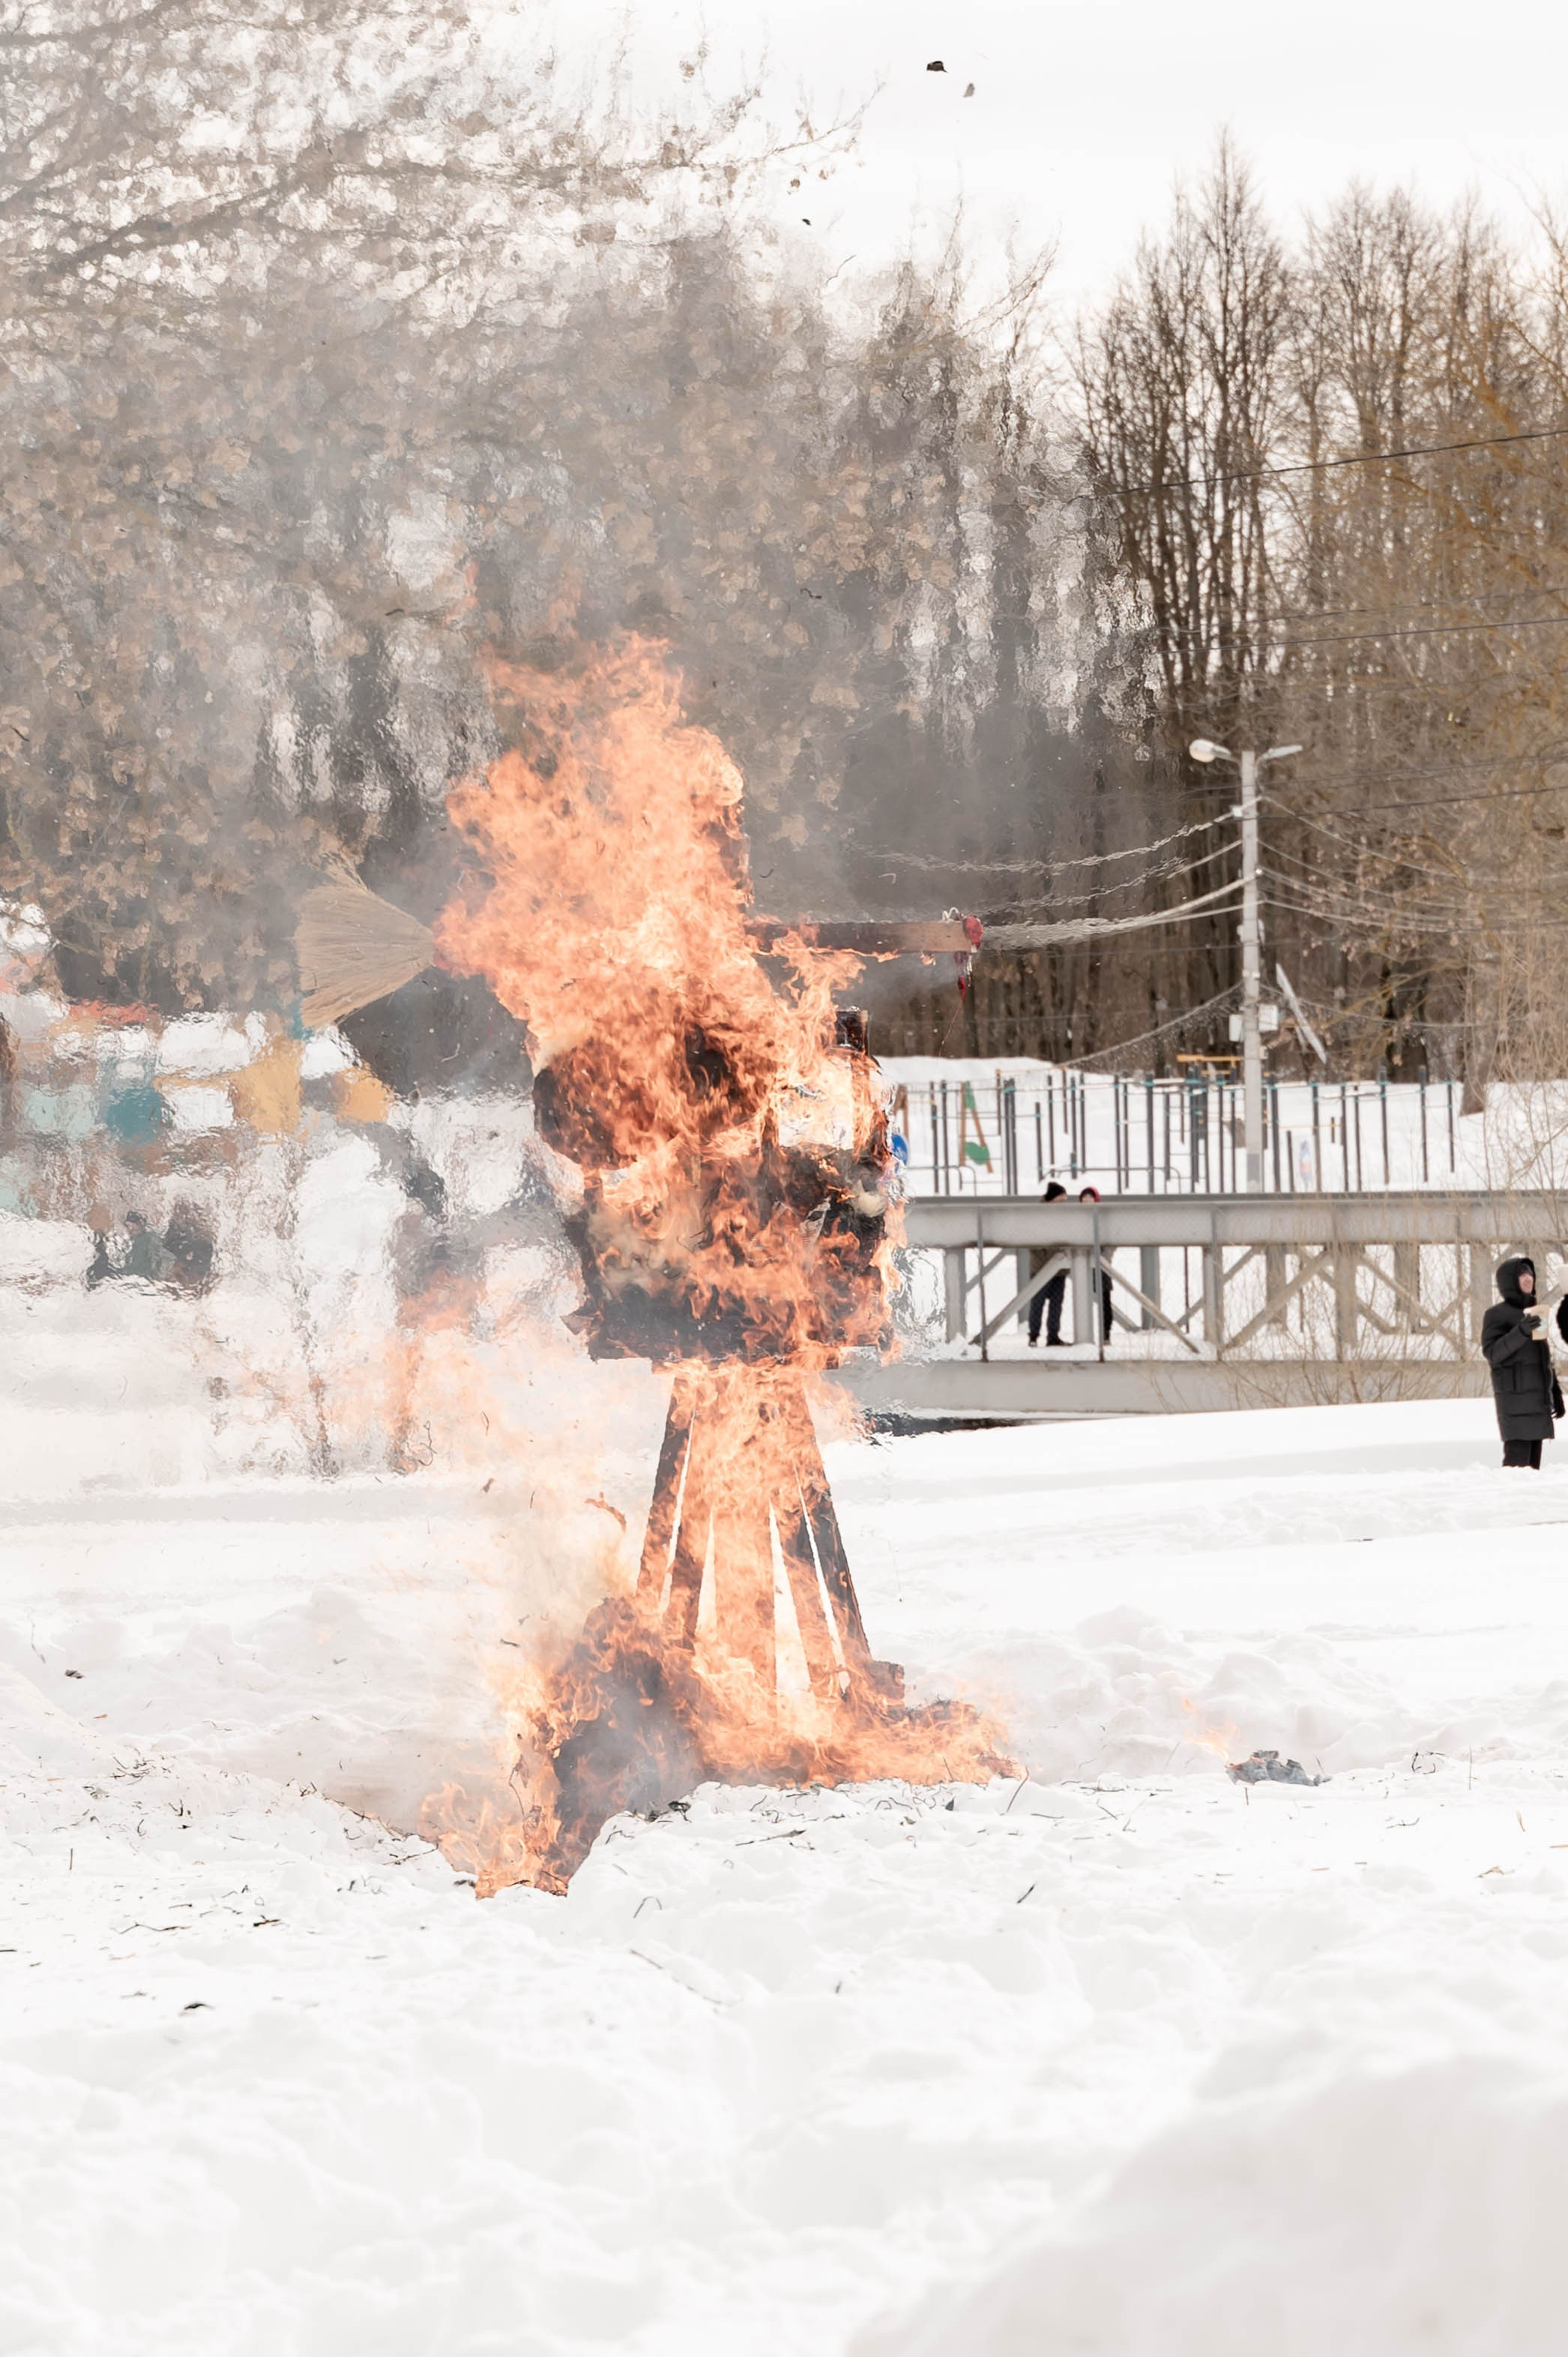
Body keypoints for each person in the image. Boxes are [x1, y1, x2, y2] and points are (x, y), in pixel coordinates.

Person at [1481, 1256, 1562, 1469]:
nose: (1528, 1279)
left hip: (1537, 1403)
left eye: (1530, 1274)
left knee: (1532, 1473)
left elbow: (1543, 1360)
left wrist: (1555, 1394)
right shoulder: (1495, 1315)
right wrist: (1521, 1331)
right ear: (1509, 1281)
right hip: (1515, 1403)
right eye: (1521, 1275)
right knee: (1515, 1471)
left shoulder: (1535, 1312)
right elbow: (1492, 1353)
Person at [1028, 1181, 1069, 1346]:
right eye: (1061, 1199)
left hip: (1059, 1268)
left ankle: (1053, 1336)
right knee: (1038, 1303)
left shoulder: (1065, 1215)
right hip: (1041, 1267)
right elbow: (1031, 1239)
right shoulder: (1037, 1215)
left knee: (1056, 1304)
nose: (1064, 1202)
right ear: (1052, 1198)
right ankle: (1033, 1336)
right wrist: (1046, 1250)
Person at [1078, 1184, 1115, 1344]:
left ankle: (1106, 1332)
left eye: (1090, 1196)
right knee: (1081, 1299)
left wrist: (1104, 1258)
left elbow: (1111, 1241)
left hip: (1100, 1265)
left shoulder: (1103, 1216)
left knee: (1105, 1300)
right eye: (1084, 1197)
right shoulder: (1075, 1216)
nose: (1087, 1199)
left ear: (1096, 1199)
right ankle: (1084, 1336)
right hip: (1081, 1263)